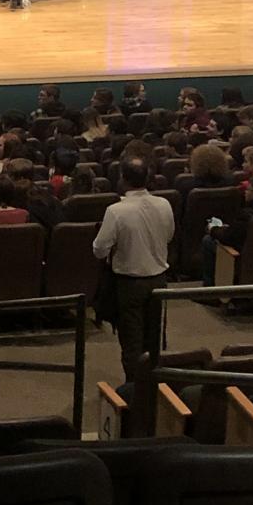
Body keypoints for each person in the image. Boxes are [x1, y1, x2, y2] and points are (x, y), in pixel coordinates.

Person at [92, 156, 174, 382]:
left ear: (123, 179)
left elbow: (99, 250)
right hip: (159, 280)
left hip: (129, 284)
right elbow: (169, 236)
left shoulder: (116, 211)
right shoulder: (164, 204)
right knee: (154, 337)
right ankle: (154, 385)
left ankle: (134, 389)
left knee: (132, 340)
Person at [201, 173, 253, 287]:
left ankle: (209, 288)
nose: (245, 192)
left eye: (248, 190)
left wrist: (213, 229)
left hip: (243, 257)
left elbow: (228, 238)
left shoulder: (248, 214)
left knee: (208, 241)